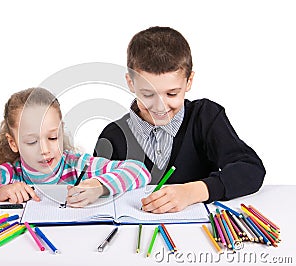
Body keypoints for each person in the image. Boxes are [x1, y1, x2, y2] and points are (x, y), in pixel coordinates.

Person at [94, 26, 265, 213]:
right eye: (148, 94)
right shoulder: (113, 136)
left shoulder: (205, 118)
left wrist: (192, 192)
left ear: (189, 82)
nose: (160, 107)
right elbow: (95, 189)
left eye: (172, 93)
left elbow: (251, 169)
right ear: (130, 83)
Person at [0, 87, 151, 207]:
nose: (44, 149)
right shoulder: (9, 174)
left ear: (61, 132)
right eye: (31, 142)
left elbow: (139, 170)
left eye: (53, 138)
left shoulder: (77, 165)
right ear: (13, 143)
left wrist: (99, 186)